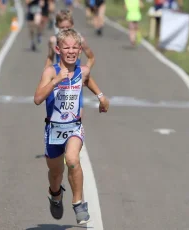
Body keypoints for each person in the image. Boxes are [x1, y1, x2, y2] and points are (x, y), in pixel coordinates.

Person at [34, 28, 109, 224]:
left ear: (80, 50)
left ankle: (78, 203)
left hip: (73, 127)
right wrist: (56, 81)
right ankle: (55, 194)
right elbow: (38, 98)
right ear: (58, 49)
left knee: (73, 159)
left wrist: (101, 97)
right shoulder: (50, 71)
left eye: (75, 47)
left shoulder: (82, 71)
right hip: (53, 129)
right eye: (66, 47)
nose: (71, 51)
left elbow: (88, 79)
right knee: (55, 173)